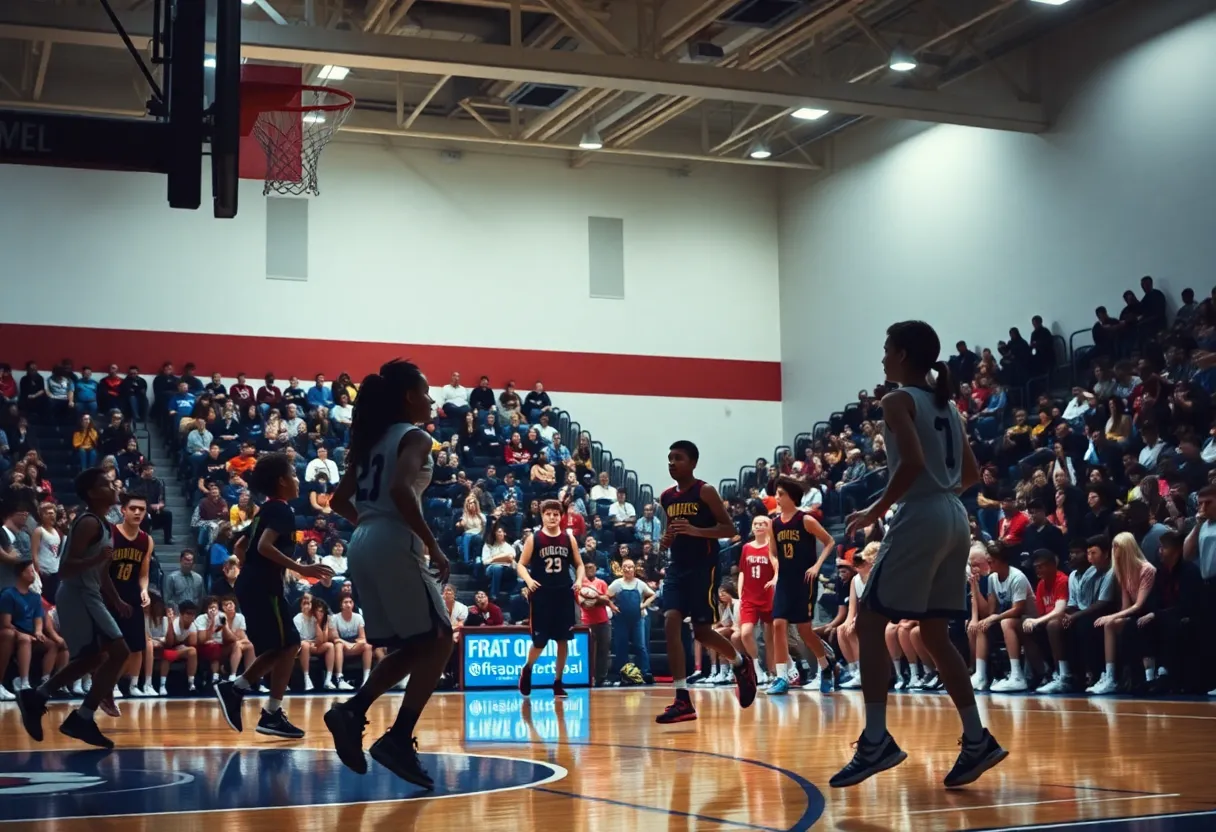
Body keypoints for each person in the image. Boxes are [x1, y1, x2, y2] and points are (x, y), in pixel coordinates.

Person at [830, 320, 1006, 790]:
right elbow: (969, 472)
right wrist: (938, 493)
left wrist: (876, 509)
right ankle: (976, 739)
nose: (883, 358)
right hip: (954, 515)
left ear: (904, 354)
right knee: (934, 632)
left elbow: (909, 463)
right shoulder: (945, 404)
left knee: (868, 620)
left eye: (887, 350)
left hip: (922, 513)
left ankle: (874, 740)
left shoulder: (897, 400)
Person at [322, 360, 454, 790]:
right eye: (426, 391)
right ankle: (395, 737)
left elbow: (338, 500)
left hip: (363, 541)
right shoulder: (416, 437)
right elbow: (399, 489)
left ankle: (353, 711)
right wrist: (431, 543)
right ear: (408, 397)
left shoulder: (373, 440)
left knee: (423, 643)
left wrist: (370, 521)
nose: (432, 399)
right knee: (440, 638)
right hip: (394, 541)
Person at [213, 453, 333, 740]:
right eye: (293, 475)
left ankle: (261, 705)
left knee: (284, 645)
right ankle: (250, 698)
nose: (296, 480)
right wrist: (300, 567)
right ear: (281, 481)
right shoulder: (281, 510)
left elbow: (242, 545)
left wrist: (253, 570)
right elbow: (265, 546)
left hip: (256, 585)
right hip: (262, 588)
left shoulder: (266, 510)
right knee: (287, 644)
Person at [16, 469, 132, 749]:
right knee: (119, 652)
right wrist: (96, 560)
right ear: (92, 493)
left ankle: (39, 697)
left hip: (89, 593)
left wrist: (115, 599)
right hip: (77, 594)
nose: (112, 485)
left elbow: (102, 572)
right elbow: (66, 569)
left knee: (93, 659)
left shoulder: (103, 523)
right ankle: (81, 716)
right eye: (105, 483)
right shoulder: (88, 522)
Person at [655, 440, 757, 724]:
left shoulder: (705, 491)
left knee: (701, 632)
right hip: (677, 568)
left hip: (704, 569)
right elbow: (671, 531)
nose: (672, 462)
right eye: (669, 458)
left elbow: (730, 529)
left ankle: (740, 662)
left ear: (693, 463)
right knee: (670, 621)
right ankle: (681, 698)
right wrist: (667, 539)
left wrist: (696, 530)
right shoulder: (666, 497)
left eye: (678, 458)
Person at [765, 477, 837, 696]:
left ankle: (825, 666)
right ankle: (781, 677)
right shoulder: (774, 523)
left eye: (780, 493)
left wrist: (816, 566)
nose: (776, 497)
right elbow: (772, 552)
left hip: (804, 580)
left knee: (804, 630)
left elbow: (830, 541)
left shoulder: (805, 520)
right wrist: (776, 567)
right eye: (776, 493)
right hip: (785, 579)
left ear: (791, 496)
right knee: (778, 624)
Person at [515, 499, 584, 697]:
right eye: (548, 514)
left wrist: (579, 580)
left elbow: (579, 564)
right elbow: (521, 564)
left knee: (563, 640)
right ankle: (527, 669)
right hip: (542, 595)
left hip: (563, 593)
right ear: (542, 516)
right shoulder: (534, 539)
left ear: (561, 516)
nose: (552, 517)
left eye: (556, 514)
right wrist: (528, 580)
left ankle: (558, 682)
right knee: (540, 641)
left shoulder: (568, 538)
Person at [109, 494, 153, 699]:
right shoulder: (110, 534)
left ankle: (127, 684)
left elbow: (143, 574)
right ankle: (107, 684)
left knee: (136, 647)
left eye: (141, 509)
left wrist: (144, 590)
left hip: (132, 596)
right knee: (112, 646)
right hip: (109, 595)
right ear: (123, 511)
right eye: (133, 508)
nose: (137, 512)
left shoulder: (146, 540)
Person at [736, 515, 778, 687]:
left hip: (768, 595)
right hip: (749, 597)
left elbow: (777, 565)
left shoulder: (772, 546)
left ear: (769, 527)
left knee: (770, 638)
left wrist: (775, 579)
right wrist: (740, 594)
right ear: (752, 527)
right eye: (756, 523)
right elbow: (742, 571)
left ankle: (773, 673)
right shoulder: (746, 547)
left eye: (763, 523)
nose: (759, 526)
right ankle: (756, 668)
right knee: (745, 633)